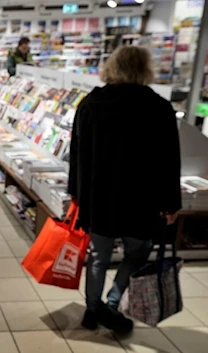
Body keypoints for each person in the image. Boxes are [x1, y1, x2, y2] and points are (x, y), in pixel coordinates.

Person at [68, 46, 182, 334]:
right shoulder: (159, 107)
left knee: (98, 257)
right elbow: (170, 160)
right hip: (141, 200)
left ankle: (92, 310)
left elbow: (77, 154)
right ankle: (112, 303)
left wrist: (76, 193)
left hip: (99, 199)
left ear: (111, 67)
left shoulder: (91, 104)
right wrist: (171, 203)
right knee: (136, 253)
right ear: (145, 69)